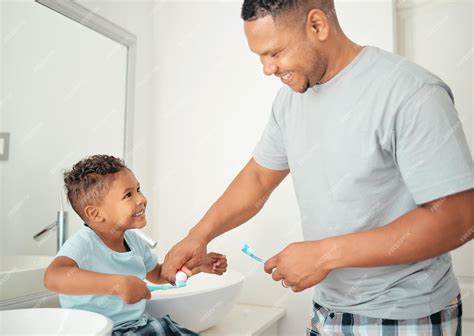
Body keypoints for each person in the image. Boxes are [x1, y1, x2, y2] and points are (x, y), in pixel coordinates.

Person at [161, 0, 474, 334]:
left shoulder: (410, 91)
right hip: (328, 312)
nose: (268, 69)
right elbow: (257, 178)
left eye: (275, 52)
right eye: (260, 57)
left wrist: (324, 255)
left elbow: (458, 218)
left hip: (404, 317)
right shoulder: (289, 102)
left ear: (317, 25)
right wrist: (199, 235)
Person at [44, 154, 227, 335]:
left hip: (136, 326)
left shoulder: (134, 241)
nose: (141, 199)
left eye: (138, 189)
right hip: (98, 331)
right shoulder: (84, 244)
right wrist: (117, 283)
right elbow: (53, 277)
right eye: (128, 195)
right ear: (95, 214)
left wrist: (197, 266)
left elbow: (158, 275)